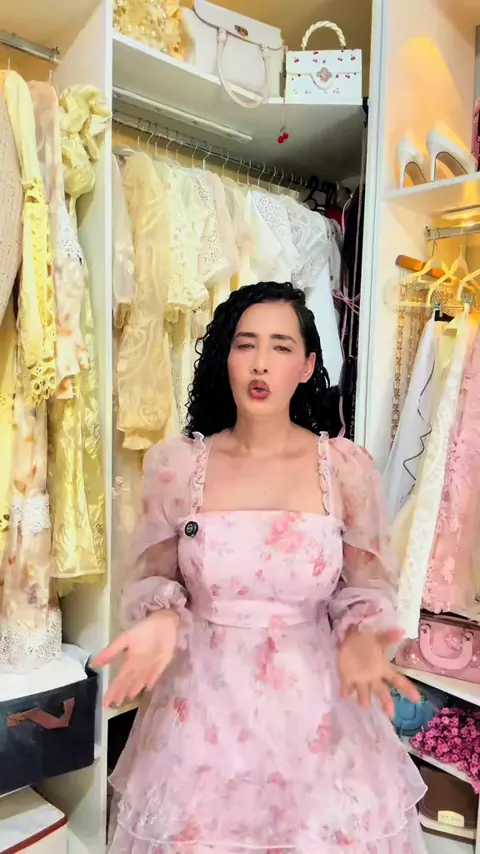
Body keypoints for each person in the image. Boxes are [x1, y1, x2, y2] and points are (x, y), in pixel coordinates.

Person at [95, 282, 427, 854]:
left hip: (316, 710)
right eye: (245, 344)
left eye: (280, 346)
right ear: (225, 358)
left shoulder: (345, 470)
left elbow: (367, 587)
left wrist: (361, 636)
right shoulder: (178, 467)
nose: (260, 363)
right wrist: (161, 618)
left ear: (308, 365)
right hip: (203, 711)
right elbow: (155, 576)